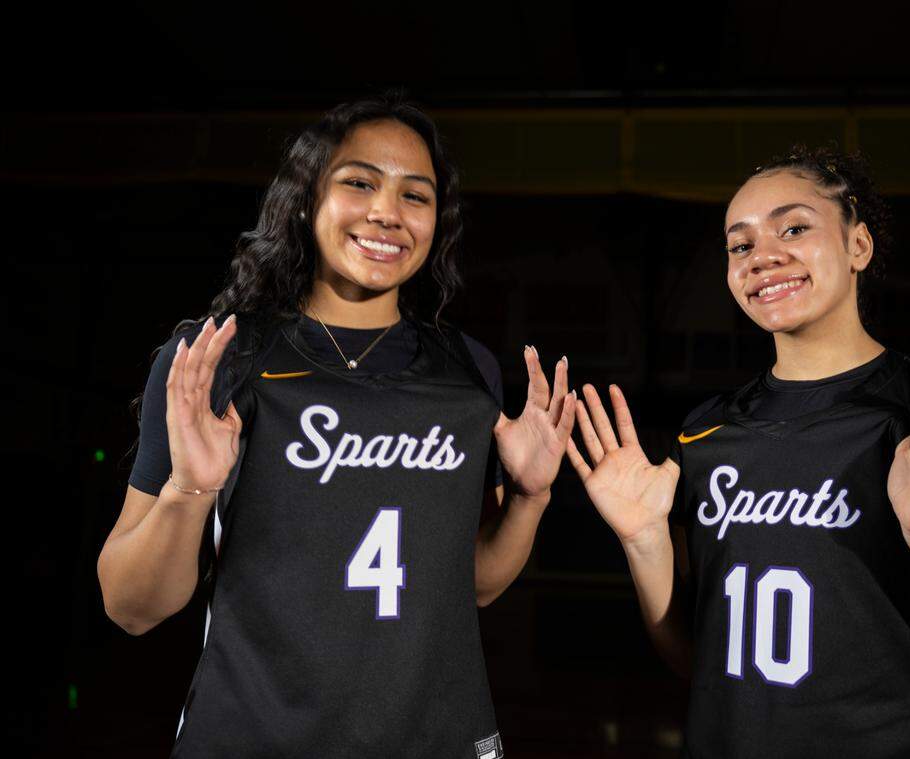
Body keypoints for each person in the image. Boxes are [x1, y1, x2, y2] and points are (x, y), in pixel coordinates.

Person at [96, 96, 575, 758]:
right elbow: (130, 606)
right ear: (305, 198)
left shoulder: (468, 372)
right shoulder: (220, 360)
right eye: (359, 182)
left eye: (416, 195)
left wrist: (530, 496)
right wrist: (189, 489)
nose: (387, 212)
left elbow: (474, 586)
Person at [566, 146, 910, 758]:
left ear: (859, 245)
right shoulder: (706, 435)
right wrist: (645, 542)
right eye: (740, 245)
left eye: (794, 229)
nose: (762, 256)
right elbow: (707, 667)